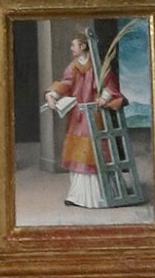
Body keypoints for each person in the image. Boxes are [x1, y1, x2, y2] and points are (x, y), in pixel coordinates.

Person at [45, 31, 129, 208]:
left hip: (96, 114)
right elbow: (65, 84)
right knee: (78, 151)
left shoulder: (98, 66)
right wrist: (52, 95)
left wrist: (104, 98)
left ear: (83, 46)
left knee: (95, 151)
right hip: (78, 116)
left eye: (73, 45)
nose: (71, 48)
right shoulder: (73, 67)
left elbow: (110, 86)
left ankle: (103, 195)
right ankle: (78, 196)